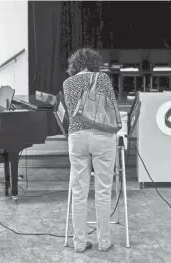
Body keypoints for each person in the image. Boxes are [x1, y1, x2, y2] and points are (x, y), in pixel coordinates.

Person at [63, 48, 117, 253]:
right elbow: (110, 105)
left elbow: (72, 112)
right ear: (94, 63)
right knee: (102, 191)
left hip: (77, 137)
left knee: (79, 192)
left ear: (75, 64)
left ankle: (79, 242)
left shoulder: (67, 83)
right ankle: (104, 242)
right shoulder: (102, 78)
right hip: (102, 135)